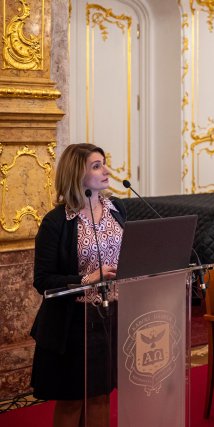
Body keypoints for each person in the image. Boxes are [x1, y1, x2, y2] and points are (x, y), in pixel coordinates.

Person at [30, 144, 126, 427]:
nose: (106, 170)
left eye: (104, 163)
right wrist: (87, 279)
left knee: (101, 396)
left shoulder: (117, 209)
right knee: (72, 399)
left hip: (111, 315)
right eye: (96, 166)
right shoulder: (56, 222)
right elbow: (43, 279)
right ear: (77, 174)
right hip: (73, 323)